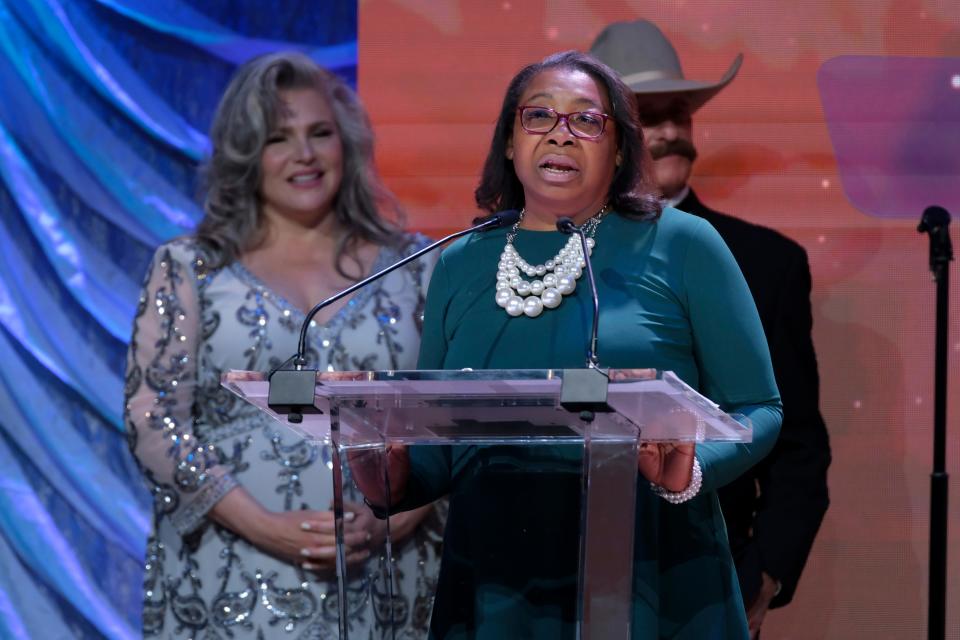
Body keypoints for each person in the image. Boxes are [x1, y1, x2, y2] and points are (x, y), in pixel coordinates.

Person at [354, 50, 782, 639]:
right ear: (509, 141)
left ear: (620, 149)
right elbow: (439, 440)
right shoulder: (459, 262)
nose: (561, 134)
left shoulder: (683, 243)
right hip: (497, 581)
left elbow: (761, 408)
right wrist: (394, 477)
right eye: (539, 117)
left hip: (651, 569)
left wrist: (690, 469)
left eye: (586, 120)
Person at [123, 52, 444, 639]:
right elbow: (154, 423)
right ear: (247, 155)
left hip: (386, 582)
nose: (305, 155)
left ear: (345, 144)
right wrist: (265, 525)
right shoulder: (190, 269)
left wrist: (390, 522)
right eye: (279, 138)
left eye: (320, 133)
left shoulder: (420, 266)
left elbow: (450, 425)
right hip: (229, 580)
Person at [590, 19, 832, 637]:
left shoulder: (765, 263)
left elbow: (795, 441)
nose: (672, 133)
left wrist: (764, 573)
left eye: (682, 115)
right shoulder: (540, 257)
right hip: (558, 564)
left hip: (703, 570)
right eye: (651, 116)